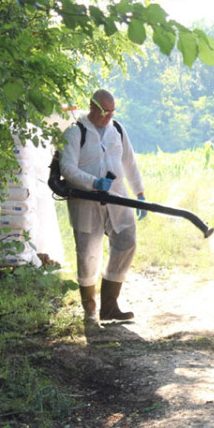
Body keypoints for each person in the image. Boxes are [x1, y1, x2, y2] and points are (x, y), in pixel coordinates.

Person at [59, 89, 147, 325]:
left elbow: (128, 161)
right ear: (92, 106)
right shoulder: (75, 132)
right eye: (104, 111)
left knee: (127, 240)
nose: (108, 116)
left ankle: (110, 305)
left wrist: (139, 192)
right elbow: (67, 168)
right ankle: (89, 309)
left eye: (112, 112)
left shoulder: (117, 129)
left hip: (117, 197)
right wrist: (93, 182)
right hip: (85, 201)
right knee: (88, 254)